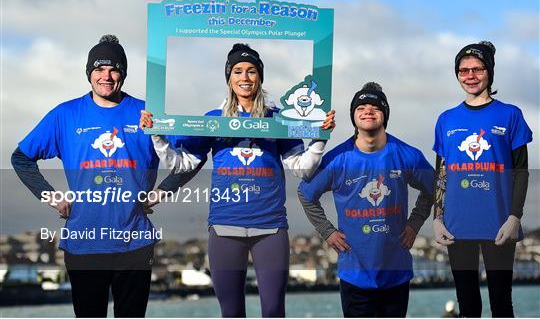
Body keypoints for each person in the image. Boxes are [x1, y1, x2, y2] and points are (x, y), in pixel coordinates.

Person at [140, 43, 335, 317]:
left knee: (274, 311)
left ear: (260, 77)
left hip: (270, 227)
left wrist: (319, 139)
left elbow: (302, 169)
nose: (245, 77)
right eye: (238, 71)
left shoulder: (279, 120)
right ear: (229, 78)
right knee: (231, 313)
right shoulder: (213, 120)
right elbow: (181, 163)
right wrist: (157, 135)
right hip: (224, 227)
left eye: (252, 71)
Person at [11, 35, 163, 317]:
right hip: (84, 244)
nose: (106, 76)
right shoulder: (65, 115)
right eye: (99, 69)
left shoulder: (146, 114)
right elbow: (20, 158)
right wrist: (52, 196)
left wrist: (162, 191)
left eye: (114, 69)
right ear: (89, 73)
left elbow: (188, 156)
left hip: (135, 244)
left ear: (123, 74)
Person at [298, 82, 434, 317]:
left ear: (385, 115)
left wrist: (415, 223)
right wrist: (327, 231)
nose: (368, 110)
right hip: (355, 274)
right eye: (361, 107)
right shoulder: (338, 159)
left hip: (396, 272)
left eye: (375, 106)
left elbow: (435, 187)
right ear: (353, 116)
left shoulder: (407, 155)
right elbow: (305, 194)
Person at [432, 41, 532, 317]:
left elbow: (521, 171)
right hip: (457, 225)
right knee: (468, 304)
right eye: (463, 71)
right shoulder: (446, 119)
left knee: (501, 303)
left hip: (499, 224)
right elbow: (441, 173)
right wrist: (437, 218)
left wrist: (514, 217)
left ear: (489, 72)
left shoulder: (510, 115)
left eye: (477, 69)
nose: (470, 76)